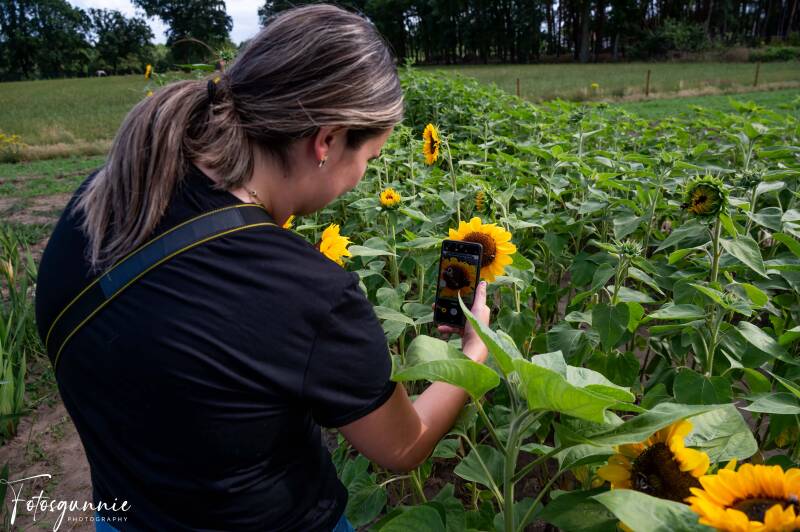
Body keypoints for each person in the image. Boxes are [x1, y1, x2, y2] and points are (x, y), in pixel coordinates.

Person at [34, 4, 490, 531]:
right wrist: (472, 354)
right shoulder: (306, 293)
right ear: (327, 140)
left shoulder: (100, 201)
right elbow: (403, 445)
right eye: (368, 160)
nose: (361, 179)